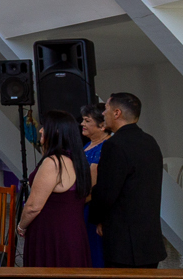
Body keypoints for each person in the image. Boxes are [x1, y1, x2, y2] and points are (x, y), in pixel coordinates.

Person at [89, 93, 166, 268]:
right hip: (149, 238)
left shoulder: (115, 145)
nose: (103, 114)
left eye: (106, 109)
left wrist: (96, 217)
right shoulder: (150, 141)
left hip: (123, 242)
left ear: (117, 113)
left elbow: (106, 191)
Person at [17, 111, 92, 267]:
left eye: (45, 127)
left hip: (51, 234)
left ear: (56, 131)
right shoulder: (77, 159)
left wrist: (21, 226)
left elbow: (33, 207)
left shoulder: (54, 162)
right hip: (74, 232)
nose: (40, 130)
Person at [81, 102, 111, 267]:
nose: (82, 124)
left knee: (94, 254)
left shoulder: (104, 147)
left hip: (90, 208)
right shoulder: (88, 145)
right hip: (82, 205)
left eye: (87, 121)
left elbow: (92, 188)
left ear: (101, 126)